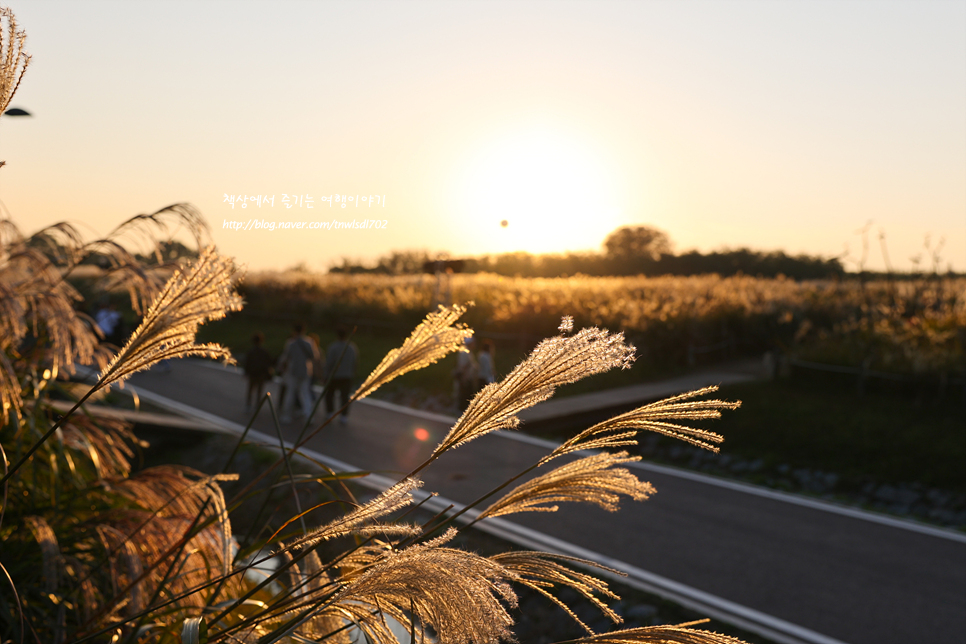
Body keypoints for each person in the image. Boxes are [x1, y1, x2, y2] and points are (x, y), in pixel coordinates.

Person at [278, 323, 320, 423]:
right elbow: (314, 357)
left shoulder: (291, 343)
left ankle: (286, 415)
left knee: (290, 393)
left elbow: (286, 357)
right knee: (305, 394)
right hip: (306, 371)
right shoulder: (309, 342)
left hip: (293, 371)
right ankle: (308, 416)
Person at [324, 326, 358, 425]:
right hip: (347, 376)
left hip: (334, 376)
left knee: (330, 395)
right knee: (344, 397)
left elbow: (329, 363)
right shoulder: (352, 347)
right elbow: (355, 362)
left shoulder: (333, 347)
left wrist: (325, 375)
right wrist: (353, 373)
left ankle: (330, 413)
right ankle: (344, 416)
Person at [243, 332, 274, 412]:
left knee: (250, 390)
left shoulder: (251, 351)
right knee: (259, 391)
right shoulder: (264, 352)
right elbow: (269, 362)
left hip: (252, 374)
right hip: (261, 374)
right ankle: (257, 406)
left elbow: (247, 363)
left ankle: (248, 405)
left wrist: (246, 372)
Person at [453, 337, 478, 411]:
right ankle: (461, 412)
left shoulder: (468, 352)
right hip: (465, 379)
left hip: (468, 378)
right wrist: (464, 378)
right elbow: (463, 366)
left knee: (467, 396)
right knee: (464, 396)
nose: (475, 344)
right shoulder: (465, 353)